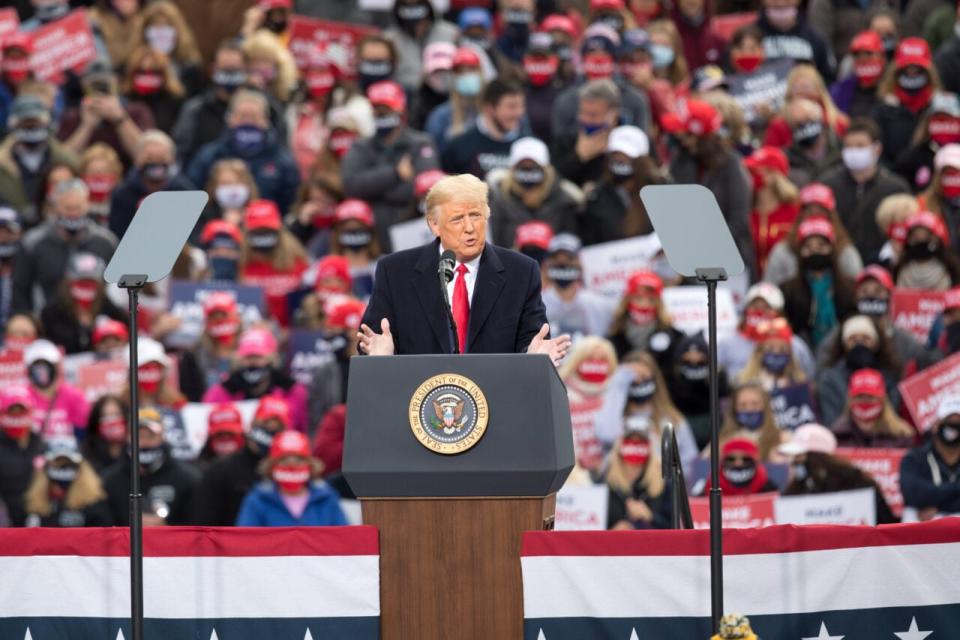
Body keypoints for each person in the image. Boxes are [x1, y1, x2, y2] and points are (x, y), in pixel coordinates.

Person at [358, 173, 569, 359]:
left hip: (494, 397)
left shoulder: (521, 272)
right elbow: (374, 341)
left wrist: (534, 357)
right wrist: (380, 355)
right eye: (458, 219)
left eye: (476, 216)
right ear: (434, 224)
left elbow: (532, 342)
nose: (469, 228)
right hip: (417, 398)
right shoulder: (395, 272)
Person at [341, 80, 439, 250]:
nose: (382, 116)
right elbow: (351, 186)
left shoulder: (421, 143)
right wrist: (395, 174)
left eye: (387, 111)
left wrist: (375, 193)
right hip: (376, 239)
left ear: (401, 110)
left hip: (415, 232)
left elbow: (426, 188)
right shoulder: (361, 147)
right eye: (378, 111)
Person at [668, 99, 757, 277]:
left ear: (699, 135)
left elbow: (739, 222)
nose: (681, 140)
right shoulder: (680, 163)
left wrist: (703, 245)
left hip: (730, 263)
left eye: (686, 135)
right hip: (689, 264)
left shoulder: (731, 165)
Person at [186, 89, 299, 214]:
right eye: (242, 116)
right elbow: (193, 193)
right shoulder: (210, 155)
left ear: (266, 121)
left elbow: (291, 201)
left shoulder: (281, 159)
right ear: (230, 118)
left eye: (254, 117)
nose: (248, 122)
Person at [12, 178, 117, 313]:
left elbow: (115, 290)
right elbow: (21, 289)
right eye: (67, 208)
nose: (73, 214)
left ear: (87, 205)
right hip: (46, 323)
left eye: (77, 208)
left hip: (96, 323)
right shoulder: (33, 243)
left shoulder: (106, 242)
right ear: (55, 207)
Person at [821, 118, 911, 262]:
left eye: (860, 145)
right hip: (839, 265)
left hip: (881, 265)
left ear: (877, 149)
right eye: (848, 146)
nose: (853, 151)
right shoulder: (828, 185)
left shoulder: (896, 188)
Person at [815, 264, 937, 371]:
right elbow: (823, 373)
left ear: (889, 297)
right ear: (855, 298)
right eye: (864, 292)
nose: (871, 296)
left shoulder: (906, 342)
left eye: (878, 291)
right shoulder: (838, 337)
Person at [193, 395, 290, 526]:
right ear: (252, 424)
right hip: (232, 543)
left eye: (277, 427)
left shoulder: (289, 470)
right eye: (265, 423)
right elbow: (203, 522)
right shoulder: (221, 470)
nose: (270, 431)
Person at [780, 422, 898, 523]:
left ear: (817, 457)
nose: (793, 463)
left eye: (799, 456)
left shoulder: (858, 483)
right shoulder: (796, 489)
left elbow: (884, 523)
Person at [101, 408, 200, 526]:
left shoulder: (188, 479)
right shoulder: (109, 480)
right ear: (127, 438)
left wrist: (166, 527)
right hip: (124, 543)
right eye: (138, 436)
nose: (144, 442)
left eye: (150, 436)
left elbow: (196, 527)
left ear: (163, 437)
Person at [203, 326, 309, 432]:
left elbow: (302, 431)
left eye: (258, 357)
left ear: (272, 359)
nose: (253, 363)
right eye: (248, 357)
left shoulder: (293, 392)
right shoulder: (219, 393)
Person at [236, 429, 346, 526]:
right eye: (284, 459)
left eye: (299, 459)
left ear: (310, 464)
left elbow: (342, 537)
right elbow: (246, 539)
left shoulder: (326, 497)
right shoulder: (258, 499)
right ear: (271, 465)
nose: (292, 465)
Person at [58, 59, 153, 170]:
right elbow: (62, 162)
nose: (100, 90)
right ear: (83, 84)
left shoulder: (136, 111)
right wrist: (86, 126)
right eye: (95, 85)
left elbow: (147, 156)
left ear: (115, 81)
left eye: (104, 84)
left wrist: (120, 119)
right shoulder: (72, 117)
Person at [488, 136, 582, 247]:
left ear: (546, 169)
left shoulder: (565, 201)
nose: (529, 173)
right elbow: (492, 246)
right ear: (512, 169)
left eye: (534, 167)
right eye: (523, 167)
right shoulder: (498, 199)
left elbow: (570, 247)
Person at [763, 182, 864, 285]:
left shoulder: (845, 251)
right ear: (800, 215)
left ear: (831, 215)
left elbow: (857, 289)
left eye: (820, 210)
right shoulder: (783, 251)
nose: (815, 215)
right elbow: (769, 289)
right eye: (809, 211)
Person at [0, 95, 79, 225]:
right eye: (25, 123)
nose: (31, 128)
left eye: (36, 122)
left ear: (47, 123)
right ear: (13, 125)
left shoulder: (65, 160)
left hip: (56, 227)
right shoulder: (3, 161)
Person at [582, 125, 666, 245]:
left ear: (642, 160)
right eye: (615, 154)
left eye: (627, 155)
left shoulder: (661, 194)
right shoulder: (596, 197)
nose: (620, 160)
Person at [781, 215, 858, 347]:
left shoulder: (850, 287)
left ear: (831, 249)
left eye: (821, 245)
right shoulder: (787, 290)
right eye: (808, 247)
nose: (815, 251)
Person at [718, 281, 817, 381]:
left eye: (767, 307)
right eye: (754, 306)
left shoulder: (795, 345)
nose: (760, 311)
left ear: (780, 312)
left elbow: (809, 379)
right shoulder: (726, 343)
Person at [107, 130, 195, 241]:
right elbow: (117, 234)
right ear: (137, 159)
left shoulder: (185, 193)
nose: (155, 163)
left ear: (172, 159)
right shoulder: (122, 194)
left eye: (161, 158)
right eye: (149, 158)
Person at [817, 314, 902, 425]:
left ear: (876, 343)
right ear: (844, 344)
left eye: (866, 339)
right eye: (853, 339)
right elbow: (830, 420)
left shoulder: (889, 377)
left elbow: (893, 419)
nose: (859, 344)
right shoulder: (830, 379)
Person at [239, 199, 309, 327]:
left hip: (292, 334)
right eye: (257, 231)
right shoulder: (240, 264)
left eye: (267, 230)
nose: (263, 236)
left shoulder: (297, 263)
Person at [441, 78, 529, 179]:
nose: (519, 113)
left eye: (521, 106)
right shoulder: (459, 147)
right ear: (489, 108)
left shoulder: (529, 146)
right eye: (511, 106)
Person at [873, 38, 940, 167]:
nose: (912, 72)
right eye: (908, 67)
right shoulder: (883, 109)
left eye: (917, 67)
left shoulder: (940, 108)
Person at [41, 253, 126, 354]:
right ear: (68, 282)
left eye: (91, 282)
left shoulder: (110, 310)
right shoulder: (52, 313)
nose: (86, 286)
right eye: (81, 281)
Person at [558, 336, 618, 470]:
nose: (596, 364)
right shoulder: (560, 391)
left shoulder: (617, 394)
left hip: (609, 469)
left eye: (602, 360)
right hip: (572, 472)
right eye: (590, 359)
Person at [541, 234, 616, 341]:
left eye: (569, 259)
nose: (563, 264)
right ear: (547, 263)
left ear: (580, 263)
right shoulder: (536, 304)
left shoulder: (599, 305)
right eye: (556, 259)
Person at [24, 437, 112, 527]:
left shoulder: (93, 503)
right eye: (57, 462)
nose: (62, 467)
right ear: (46, 466)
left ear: (80, 466)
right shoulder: (35, 502)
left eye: (67, 463)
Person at [553, 79, 624, 188]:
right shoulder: (566, 140)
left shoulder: (629, 141)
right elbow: (552, 181)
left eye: (593, 115)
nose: (585, 119)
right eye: (582, 113)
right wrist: (578, 157)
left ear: (613, 115)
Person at [607, 269, 682, 368]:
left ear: (659, 303)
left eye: (651, 300)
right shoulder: (614, 336)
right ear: (627, 300)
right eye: (638, 298)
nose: (644, 305)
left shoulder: (673, 337)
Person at [900, 397, 960, 519]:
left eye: (958, 423)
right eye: (948, 420)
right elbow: (912, 493)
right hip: (925, 528)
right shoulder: (914, 458)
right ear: (936, 425)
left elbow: (923, 495)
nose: (954, 427)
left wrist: (939, 510)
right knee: (910, 513)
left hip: (931, 515)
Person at [744, 145, 799, 274]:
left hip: (785, 282)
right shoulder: (747, 213)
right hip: (751, 283)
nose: (748, 176)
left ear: (773, 174)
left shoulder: (795, 211)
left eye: (754, 171)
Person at [831, 368, 916, 448]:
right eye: (859, 397)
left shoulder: (901, 436)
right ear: (850, 400)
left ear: (882, 400)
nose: (864, 402)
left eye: (870, 397)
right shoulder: (836, 436)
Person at [23, 338, 90, 440]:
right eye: (37, 365)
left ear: (57, 365)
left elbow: (82, 435)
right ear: (28, 368)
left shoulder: (74, 396)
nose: (41, 370)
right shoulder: (21, 397)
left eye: (46, 364)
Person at [384, 0, 458, 91]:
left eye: (417, 7)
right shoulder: (389, 38)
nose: (417, 25)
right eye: (408, 8)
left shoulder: (451, 33)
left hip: (445, 92)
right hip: (404, 93)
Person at [603, 429, 671, 529]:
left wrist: (650, 517)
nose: (633, 466)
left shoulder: (663, 484)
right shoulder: (607, 484)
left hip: (652, 542)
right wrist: (612, 531)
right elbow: (595, 524)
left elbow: (674, 527)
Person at [893, 92, 960, 193]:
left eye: (948, 119)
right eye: (939, 119)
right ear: (928, 122)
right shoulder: (911, 157)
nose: (944, 125)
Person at [425, 46, 485, 154]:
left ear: (481, 73)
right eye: (460, 72)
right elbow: (433, 153)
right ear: (453, 77)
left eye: (471, 70)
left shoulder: (492, 111)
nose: (466, 75)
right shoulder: (440, 116)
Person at [755, 0, 835, 81]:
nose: (781, 3)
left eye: (786, 6)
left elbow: (828, 77)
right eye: (776, 7)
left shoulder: (815, 38)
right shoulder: (751, 37)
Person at [0, 386, 43, 527]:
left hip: (39, 521)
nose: (17, 417)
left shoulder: (41, 444)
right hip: (7, 524)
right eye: (12, 412)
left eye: (21, 411)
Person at [122, 45, 186, 134]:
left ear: (164, 74)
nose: (148, 78)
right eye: (142, 72)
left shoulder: (175, 101)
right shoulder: (124, 100)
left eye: (154, 72)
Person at [717, 383, 786, 462]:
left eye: (755, 404)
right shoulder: (723, 441)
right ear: (734, 409)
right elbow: (703, 464)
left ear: (765, 406)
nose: (749, 409)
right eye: (743, 405)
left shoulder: (782, 437)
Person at [738, 318, 809, 393]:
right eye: (770, 349)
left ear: (790, 354)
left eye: (782, 349)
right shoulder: (745, 383)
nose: (776, 353)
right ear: (759, 352)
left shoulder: (801, 384)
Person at [894, 210, 960, 290]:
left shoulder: (950, 267)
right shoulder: (902, 269)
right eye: (916, 238)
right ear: (908, 240)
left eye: (927, 237)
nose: (922, 241)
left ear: (937, 238)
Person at [830, 30, 886, 118]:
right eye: (857, 54)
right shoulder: (840, 90)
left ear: (882, 57)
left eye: (868, 53)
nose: (863, 59)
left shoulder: (892, 89)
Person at [703, 438, 779, 496]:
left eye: (746, 459)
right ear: (722, 461)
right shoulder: (710, 487)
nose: (738, 464)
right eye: (731, 459)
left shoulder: (767, 487)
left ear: (755, 461)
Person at [82, 394, 129, 472]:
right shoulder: (88, 451)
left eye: (116, 414)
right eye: (104, 416)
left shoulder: (136, 448)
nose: (111, 421)